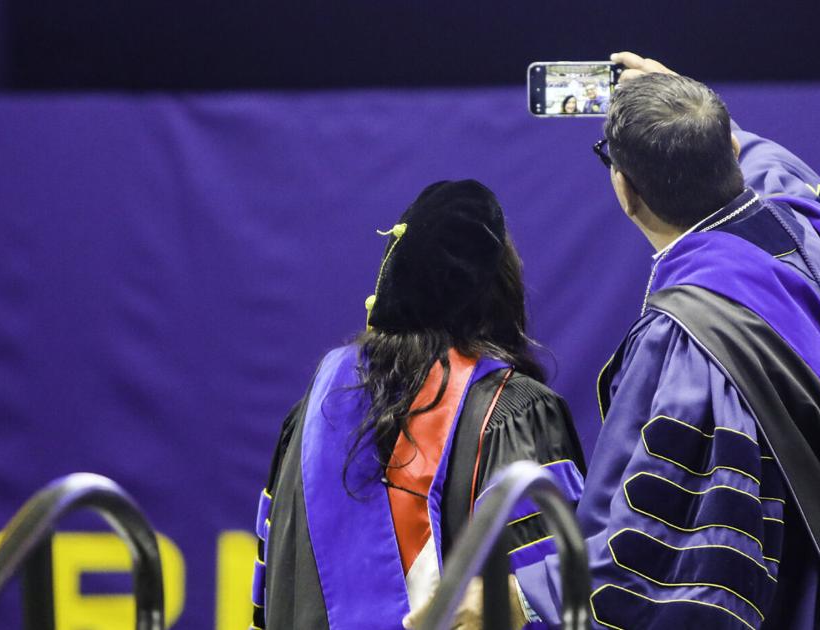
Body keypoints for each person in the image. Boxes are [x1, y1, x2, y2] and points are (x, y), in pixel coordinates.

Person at [453, 52, 820, 628]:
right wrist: (681, 103)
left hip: (802, 598)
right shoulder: (803, 228)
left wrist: (521, 597)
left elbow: (671, 544)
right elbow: (773, 167)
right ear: (732, 153)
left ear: (624, 191)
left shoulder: (691, 338)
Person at [250, 180, 587, 629]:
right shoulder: (516, 413)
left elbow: (265, 604)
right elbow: (556, 604)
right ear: (499, 290)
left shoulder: (309, 419)